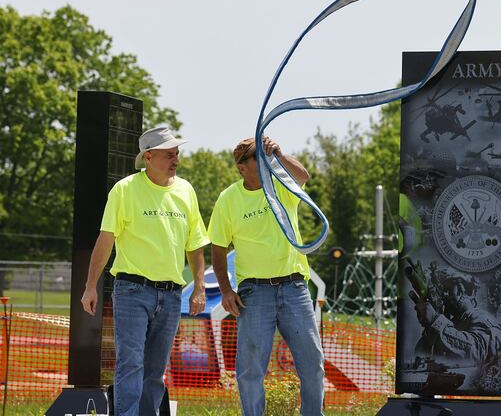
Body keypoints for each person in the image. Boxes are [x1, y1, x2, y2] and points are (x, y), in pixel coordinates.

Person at [80, 126, 209, 415]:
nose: (175, 160)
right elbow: (106, 239)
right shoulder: (125, 190)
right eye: (168, 154)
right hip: (132, 291)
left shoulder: (186, 190)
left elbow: (196, 244)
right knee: (131, 363)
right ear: (148, 157)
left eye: (177, 153)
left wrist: (199, 286)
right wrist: (91, 285)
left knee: (155, 370)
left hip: (172, 295)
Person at [209, 136, 324, 416]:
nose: (266, 162)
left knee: (312, 363)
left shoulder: (281, 185)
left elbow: (303, 175)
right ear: (242, 167)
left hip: (294, 286)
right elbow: (218, 249)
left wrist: (279, 154)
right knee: (250, 369)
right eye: (259, 158)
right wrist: (225, 290)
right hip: (254, 293)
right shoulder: (229, 199)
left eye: (266, 156)